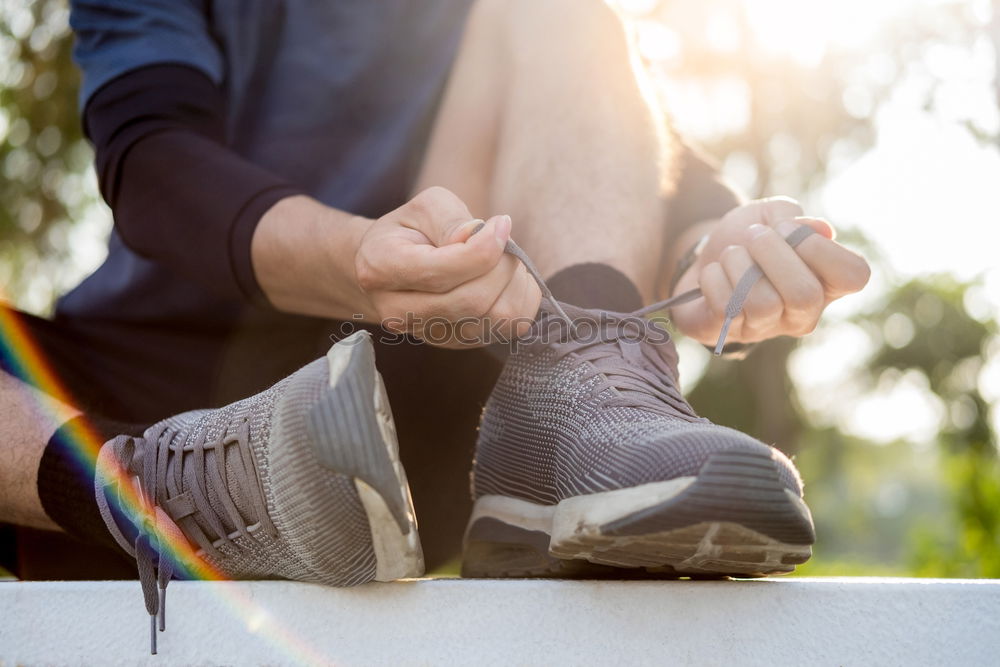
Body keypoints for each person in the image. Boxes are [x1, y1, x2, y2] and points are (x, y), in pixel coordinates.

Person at [0, 0, 869, 651]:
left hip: (401, 415)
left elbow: (616, 125)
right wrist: (359, 256)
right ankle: (172, 490)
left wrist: (707, 247)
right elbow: (151, 159)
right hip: (111, 406)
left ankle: (584, 405)